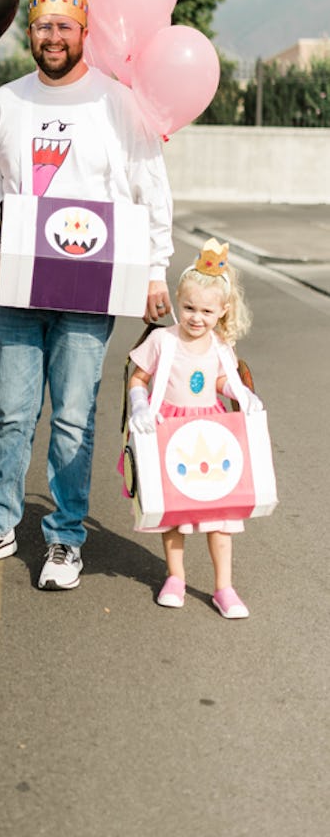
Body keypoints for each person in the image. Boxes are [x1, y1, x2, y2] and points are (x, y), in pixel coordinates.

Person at [0, 0, 174, 590]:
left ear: (84, 32)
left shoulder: (117, 102)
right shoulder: (8, 102)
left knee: (75, 416)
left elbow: (149, 189)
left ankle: (66, 538)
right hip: (22, 282)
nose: (53, 36)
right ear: (32, 31)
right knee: (12, 411)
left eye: (64, 27)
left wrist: (155, 269)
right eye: (43, 26)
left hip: (91, 287)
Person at [126, 238, 262, 618]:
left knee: (220, 516)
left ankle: (224, 587)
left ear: (222, 311)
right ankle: (175, 577)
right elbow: (138, 378)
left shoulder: (220, 346)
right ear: (178, 302)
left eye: (205, 311)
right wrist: (139, 403)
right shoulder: (161, 340)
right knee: (176, 512)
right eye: (188, 308)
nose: (196, 317)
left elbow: (222, 381)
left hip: (210, 433)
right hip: (170, 428)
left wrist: (242, 394)